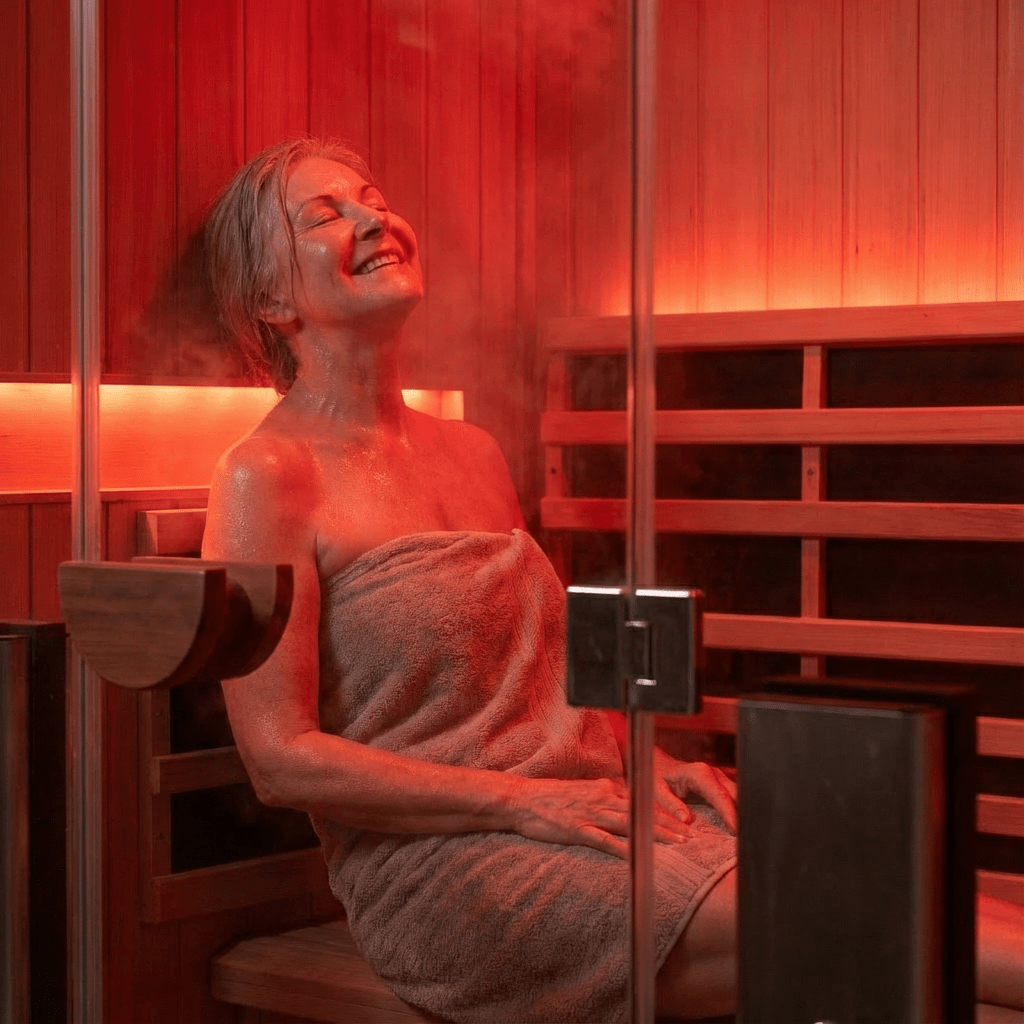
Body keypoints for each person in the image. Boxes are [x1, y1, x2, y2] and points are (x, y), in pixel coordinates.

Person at [201, 137, 1023, 1022]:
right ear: (273, 301)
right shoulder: (267, 476)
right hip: (456, 871)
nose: (372, 218)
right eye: (327, 213)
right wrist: (525, 806)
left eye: (373, 196)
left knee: (908, 877)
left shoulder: (470, 452)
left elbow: (535, 678)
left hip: (586, 813)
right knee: (873, 916)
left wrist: (651, 760)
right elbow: (280, 760)